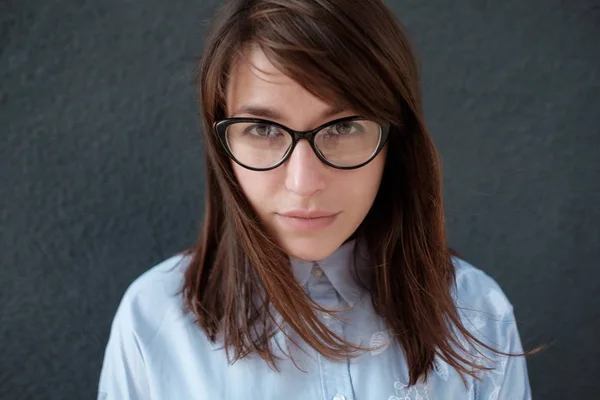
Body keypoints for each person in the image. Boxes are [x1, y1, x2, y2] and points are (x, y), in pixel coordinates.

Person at [98, 0, 539, 398]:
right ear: (222, 145)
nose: (303, 183)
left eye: (342, 127)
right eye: (264, 130)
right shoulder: (152, 320)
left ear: (395, 141)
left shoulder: (476, 312)